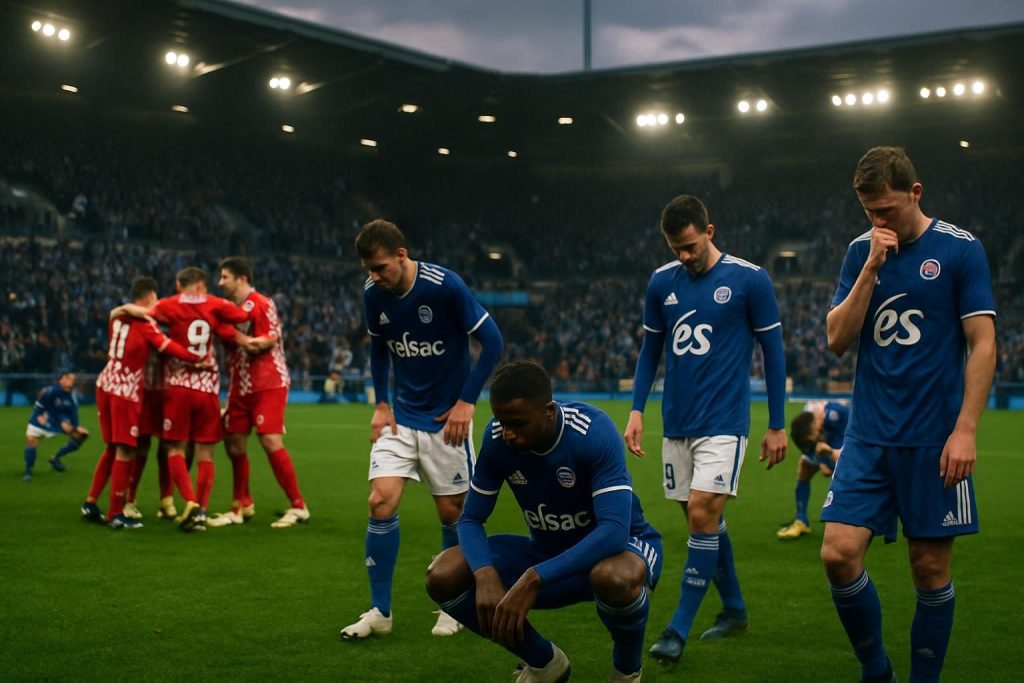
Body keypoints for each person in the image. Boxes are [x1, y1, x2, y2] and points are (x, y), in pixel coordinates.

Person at [821, 146, 997, 682]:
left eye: (888, 211)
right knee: (838, 554)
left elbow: (983, 343)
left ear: (915, 194)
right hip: (869, 435)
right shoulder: (860, 253)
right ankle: (876, 670)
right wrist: (872, 265)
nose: (878, 222)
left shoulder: (960, 250)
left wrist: (966, 429)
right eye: (869, 212)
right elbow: (836, 340)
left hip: (934, 439)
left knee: (929, 568)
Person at [624, 194, 788, 664]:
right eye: (676, 248)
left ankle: (676, 629)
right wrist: (637, 410)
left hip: (724, 422)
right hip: (676, 422)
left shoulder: (749, 279)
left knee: (701, 514)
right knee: (704, 522)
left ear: (709, 232)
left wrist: (777, 425)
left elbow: (773, 355)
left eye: (691, 246)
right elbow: (649, 353)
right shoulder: (661, 284)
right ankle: (734, 609)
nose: (685, 256)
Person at [426, 361, 662, 683]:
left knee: (614, 577)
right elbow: (470, 519)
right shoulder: (497, 438)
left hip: (619, 551)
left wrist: (535, 577)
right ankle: (546, 664)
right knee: (443, 574)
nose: (507, 433)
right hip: (547, 553)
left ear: (549, 411)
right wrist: (484, 574)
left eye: (518, 423)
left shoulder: (592, 432)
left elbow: (614, 532)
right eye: (501, 421)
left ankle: (626, 672)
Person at [340, 219, 503, 640]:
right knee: (380, 501)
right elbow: (378, 347)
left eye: (380, 267)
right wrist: (380, 403)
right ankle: (380, 611)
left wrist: (466, 402)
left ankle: (453, 605)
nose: (373, 277)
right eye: (367, 270)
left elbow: (494, 343)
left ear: (401, 254)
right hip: (400, 416)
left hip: (445, 422)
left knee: (451, 513)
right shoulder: (374, 293)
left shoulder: (445, 286)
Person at [117, 266, 250, 531]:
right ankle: (200, 511)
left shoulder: (169, 304)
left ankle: (185, 500)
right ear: (202, 283)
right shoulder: (216, 303)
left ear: (179, 284)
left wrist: (120, 310)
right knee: (205, 454)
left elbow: (145, 314)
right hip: (207, 388)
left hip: (177, 386)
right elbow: (243, 314)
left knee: (174, 449)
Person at [80, 277, 204, 529]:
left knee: (112, 447)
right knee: (126, 450)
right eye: (156, 299)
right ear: (149, 298)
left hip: (105, 383)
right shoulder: (145, 323)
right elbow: (166, 345)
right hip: (125, 390)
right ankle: (116, 513)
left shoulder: (117, 318)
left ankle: (91, 501)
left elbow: (117, 312)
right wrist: (195, 357)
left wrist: (122, 308)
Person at [208, 257, 310, 529]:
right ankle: (241, 506)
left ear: (241, 278)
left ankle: (299, 506)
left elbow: (265, 342)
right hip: (240, 386)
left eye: (224, 277)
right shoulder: (230, 310)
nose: (220, 282)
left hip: (268, 383)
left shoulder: (261, 303)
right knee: (234, 443)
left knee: (270, 441)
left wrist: (236, 336)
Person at [777, 399, 849, 540]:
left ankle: (849, 520)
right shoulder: (806, 421)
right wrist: (820, 461)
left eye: (815, 433)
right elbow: (808, 447)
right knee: (804, 466)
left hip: (848, 447)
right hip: (826, 448)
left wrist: (829, 456)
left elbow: (847, 455)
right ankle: (801, 519)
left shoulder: (838, 414)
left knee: (843, 475)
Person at [23, 371, 89, 480]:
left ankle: (55, 458)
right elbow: (40, 405)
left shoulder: (71, 396)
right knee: (31, 442)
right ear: (62, 380)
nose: (73, 381)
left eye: (73, 379)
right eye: (70, 378)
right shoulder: (51, 391)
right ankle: (28, 470)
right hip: (42, 420)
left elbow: (73, 412)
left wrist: (75, 425)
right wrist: (39, 415)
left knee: (82, 434)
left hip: (57, 422)